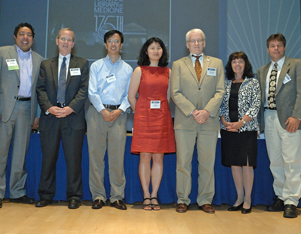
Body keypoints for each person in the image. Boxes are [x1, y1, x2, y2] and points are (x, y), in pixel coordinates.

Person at [0, 22, 44, 209]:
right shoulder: (1, 53)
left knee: (21, 154)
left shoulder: (39, 59)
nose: (25, 38)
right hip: (3, 110)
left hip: (28, 109)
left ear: (33, 38)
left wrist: (38, 114)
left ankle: (18, 192)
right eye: (21, 34)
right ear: (15, 36)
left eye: (29, 35)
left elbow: (40, 90)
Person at [171, 29, 225, 213]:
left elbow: (220, 91)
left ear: (204, 42)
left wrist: (206, 111)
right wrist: (194, 112)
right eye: (192, 41)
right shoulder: (178, 65)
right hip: (185, 121)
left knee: (207, 163)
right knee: (183, 163)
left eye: (199, 40)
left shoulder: (216, 64)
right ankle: (182, 199)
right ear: (187, 44)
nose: (196, 43)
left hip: (208, 121)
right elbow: (175, 93)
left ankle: (205, 199)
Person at [257, 33, 301, 218]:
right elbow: (260, 98)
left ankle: (291, 200)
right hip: (269, 118)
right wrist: (258, 121)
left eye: (279, 45)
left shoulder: (298, 65)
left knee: (292, 161)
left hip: (290, 120)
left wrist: (297, 116)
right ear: (268, 49)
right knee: (276, 161)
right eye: (272, 46)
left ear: (284, 47)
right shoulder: (262, 70)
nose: (276, 49)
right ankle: (280, 196)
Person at [35, 28, 89, 209]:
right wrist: (49, 107)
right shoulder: (45, 64)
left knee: (74, 160)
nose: (66, 42)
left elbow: (83, 90)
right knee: (48, 159)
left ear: (73, 44)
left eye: (69, 40)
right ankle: (45, 195)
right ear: (57, 41)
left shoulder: (82, 64)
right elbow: (40, 89)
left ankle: (74, 196)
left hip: (73, 118)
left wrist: (70, 108)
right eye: (62, 39)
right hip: (50, 117)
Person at [87, 30, 133, 210]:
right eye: (110, 41)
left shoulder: (128, 69)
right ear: (105, 45)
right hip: (97, 114)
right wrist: (103, 110)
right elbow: (92, 92)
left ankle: (116, 197)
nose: (113, 44)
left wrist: (120, 110)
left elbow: (129, 94)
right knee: (96, 158)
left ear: (121, 45)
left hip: (119, 116)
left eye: (117, 41)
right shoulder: (96, 66)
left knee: (116, 159)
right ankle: (98, 195)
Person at [128, 37, 175, 211]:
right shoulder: (139, 71)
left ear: (162, 51)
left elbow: (168, 98)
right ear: (146, 51)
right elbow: (131, 96)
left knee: (158, 157)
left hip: (161, 118)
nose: (156, 51)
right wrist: (140, 112)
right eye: (152, 48)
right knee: (145, 157)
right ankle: (145, 195)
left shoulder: (168, 72)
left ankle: (154, 195)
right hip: (144, 119)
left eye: (159, 48)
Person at [219, 52, 261, 214]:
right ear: (230, 65)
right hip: (228, 129)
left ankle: (248, 199)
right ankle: (239, 197)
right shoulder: (226, 84)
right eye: (234, 61)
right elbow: (222, 105)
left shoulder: (253, 83)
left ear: (246, 64)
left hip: (246, 130)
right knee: (234, 164)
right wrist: (223, 121)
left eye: (240, 61)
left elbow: (255, 106)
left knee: (247, 164)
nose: (237, 64)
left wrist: (240, 123)